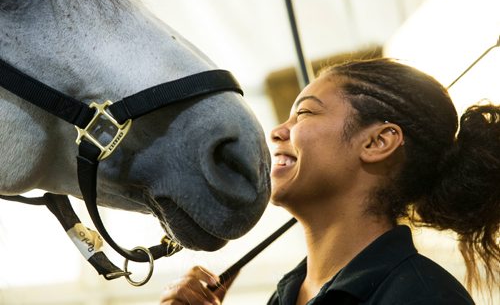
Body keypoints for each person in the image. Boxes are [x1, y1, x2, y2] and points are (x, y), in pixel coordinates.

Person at [160, 58, 500, 305]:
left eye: (305, 113)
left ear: (377, 142)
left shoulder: (424, 297)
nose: (277, 131)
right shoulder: (285, 297)